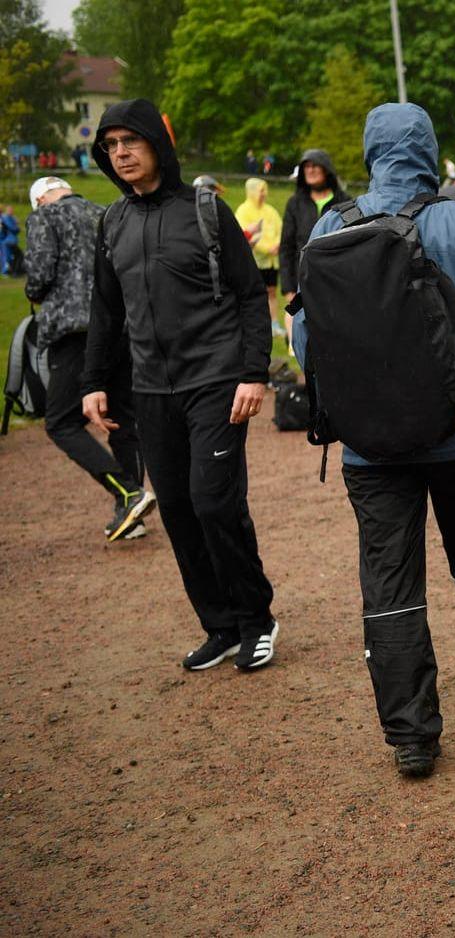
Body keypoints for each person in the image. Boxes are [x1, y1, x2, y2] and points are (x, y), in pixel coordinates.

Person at [292, 103, 455, 779]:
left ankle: (411, 735)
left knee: (390, 584)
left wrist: (337, 417)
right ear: (429, 149)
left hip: (369, 446)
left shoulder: (330, 223)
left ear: (371, 152)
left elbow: (306, 338)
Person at [82, 99, 280, 672]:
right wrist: (95, 379)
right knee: (175, 507)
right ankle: (219, 626)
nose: (120, 153)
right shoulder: (112, 223)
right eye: (110, 145)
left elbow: (249, 295)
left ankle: (257, 620)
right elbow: (106, 310)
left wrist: (253, 372)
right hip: (151, 389)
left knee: (214, 502)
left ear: (155, 145)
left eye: (130, 141)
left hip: (216, 380)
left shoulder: (205, 211)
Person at [25, 176, 156, 541]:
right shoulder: (105, 212)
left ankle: (126, 492)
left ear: (40, 200)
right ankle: (132, 512)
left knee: (61, 422)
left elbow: (38, 276)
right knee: (120, 418)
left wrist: (33, 291)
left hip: (74, 332)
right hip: (120, 328)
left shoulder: (44, 218)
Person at [279, 149, 349, 346]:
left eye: (315, 165)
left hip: (335, 283)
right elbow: (286, 247)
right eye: (306, 166)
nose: (310, 170)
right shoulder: (295, 204)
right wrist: (288, 288)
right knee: (302, 343)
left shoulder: (345, 203)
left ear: (326, 169)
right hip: (301, 282)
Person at [233, 178, 282, 332]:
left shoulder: (270, 210)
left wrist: (278, 245)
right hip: (255, 260)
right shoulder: (243, 210)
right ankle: (258, 324)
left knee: (272, 292)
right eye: (261, 190)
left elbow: (281, 227)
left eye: (265, 190)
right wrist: (267, 248)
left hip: (272, 261)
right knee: (256, 294)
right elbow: (244, 235)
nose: (264, 194)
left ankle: (274, 323)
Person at [0, 205, 20, 276]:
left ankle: (10, 271)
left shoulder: (6, 218)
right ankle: (5, 271)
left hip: (7, 240)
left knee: (9, 256)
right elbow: (13, 229)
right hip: (6, 240)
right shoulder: (5, 218)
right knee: (6, 257)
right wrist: (17, 225)